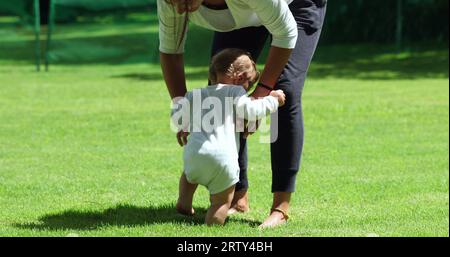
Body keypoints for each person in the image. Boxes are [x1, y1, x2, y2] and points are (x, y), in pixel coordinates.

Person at [158, 0, 327, 228]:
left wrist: (262, 94)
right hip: (244, 14)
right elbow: (170, 51)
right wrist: (183, 112)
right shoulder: (172, 1)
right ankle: (237, 194)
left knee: (284, 91)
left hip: (295, 5)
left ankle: (280, 206)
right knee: (220, 86)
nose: (179, 7)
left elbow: (286, 34)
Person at [172, 48, 286, 225]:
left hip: (194, 154)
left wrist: (186, 124)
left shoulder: (195, 94)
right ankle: (212, 226)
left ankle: (184, 203)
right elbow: (252, 111)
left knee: (188, 176)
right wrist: (273, 100)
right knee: (220, 202)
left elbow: (177, 116)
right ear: (240, 78)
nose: (248, 89)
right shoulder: (235, 92)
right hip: (222, 160)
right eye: (249, 84)